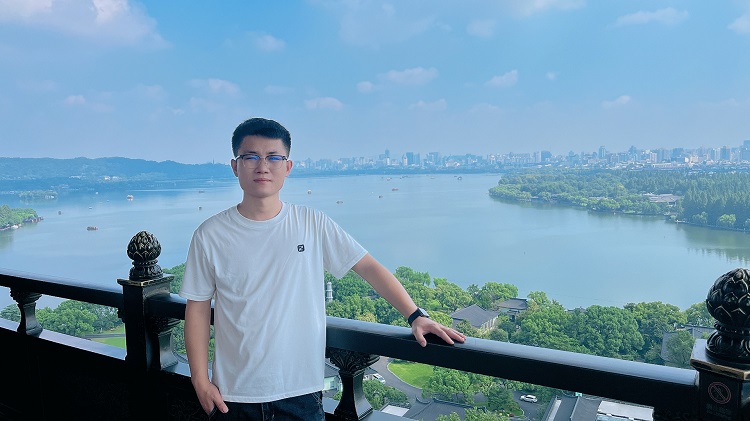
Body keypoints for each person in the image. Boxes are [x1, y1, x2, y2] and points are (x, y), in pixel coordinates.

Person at [179, 117, 466, 420]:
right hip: (234, 395)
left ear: (287, 167)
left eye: (273, 157)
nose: (262, 166)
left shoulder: (311, 223)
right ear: (235, 166)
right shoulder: (210, 234)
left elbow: (368, 266)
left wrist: (416, 315)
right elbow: (197, 308)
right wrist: (199, 379)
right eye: (250, 157)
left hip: (301, 392)